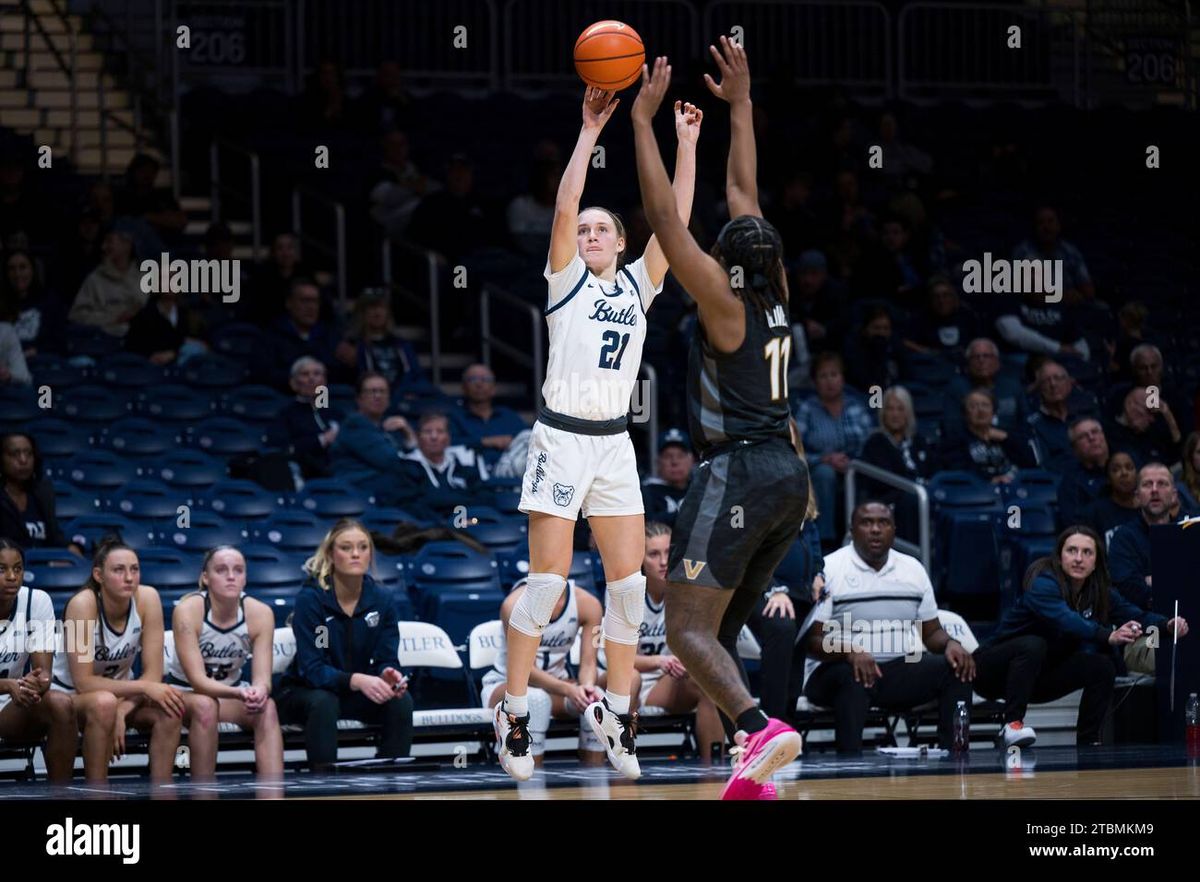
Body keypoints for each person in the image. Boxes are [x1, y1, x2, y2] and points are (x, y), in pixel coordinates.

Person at [495, 80, 700, 783]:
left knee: (626, 591)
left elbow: (672, 221)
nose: (588, 235)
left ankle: (617, 711)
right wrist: (587, 133)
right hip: (560, 437)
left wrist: (688, 144)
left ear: (621, 241)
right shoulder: (565, 282)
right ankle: (514, 714)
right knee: (548, 585)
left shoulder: (640, 286)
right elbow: (562, 204)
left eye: (600, 229)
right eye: (583, 230)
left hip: (614, 443)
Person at [632, 42, 808, 799]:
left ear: (726, 265)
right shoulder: (777, 292)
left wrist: (642, 122)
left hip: (735, 468)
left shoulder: (726, 304)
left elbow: (665, 217)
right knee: (721, 632)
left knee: (684, 629)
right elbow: (745, 190)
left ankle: (760, 728)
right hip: (788, 480)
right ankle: (753, 771)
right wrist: (739, 104)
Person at [974, 526, 1187, 745]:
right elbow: (1067, 621)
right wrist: (1107, 635)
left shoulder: (1098, 592)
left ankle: (1089, 741)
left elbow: (1135, 614)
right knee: (1033, 644)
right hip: (990, 672)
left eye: (1087, 552)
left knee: (1102, 667)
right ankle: (1012, 725)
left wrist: (1166, 624)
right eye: (1072, 551)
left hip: (1036, 677)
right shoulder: (1043, 584)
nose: (1078, 558)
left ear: (1096, 562)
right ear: (1059, 557)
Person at [802, 502, 974, 754]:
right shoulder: (829, 569)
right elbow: (811, 640)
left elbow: (932, 633)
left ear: (894, 529)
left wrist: (950, 643)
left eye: (883, 523)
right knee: (853, 677)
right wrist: (850, 652)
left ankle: (955, 754)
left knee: (955, 669)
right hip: (834, 672)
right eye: (866, 522)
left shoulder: (913, 569)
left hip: (894, 671)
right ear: (852, 529)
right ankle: (849, 764)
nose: (875, 530)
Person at [52, 539, 218, 782]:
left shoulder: (148, 598)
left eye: (135, 569)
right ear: (98, 575)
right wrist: (137, 691)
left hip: (121, 699)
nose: (129, 577)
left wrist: (122, 710)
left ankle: (162, 790)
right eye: (119, 570)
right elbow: (84, 682)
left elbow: (153, 674)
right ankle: (97, 791)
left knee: (171, 708)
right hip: (73, 699)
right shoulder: (82, 604)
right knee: (103, 703)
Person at [276, 520, 414, 770]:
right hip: (303, 691)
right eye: (346, 547)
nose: (355, 554)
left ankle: (392, 778)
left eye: (363, 547)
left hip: (351, 693)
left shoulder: (382, 600)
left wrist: (387, 674)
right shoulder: (313, 600)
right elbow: (313, 669)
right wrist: (358, 680)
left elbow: (387, 658)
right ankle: (325, 783)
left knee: (400, 701)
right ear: (330, 554)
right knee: (324, 701)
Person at [169, 546, 284, 777]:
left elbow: (263, 677)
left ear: (245, 578)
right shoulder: (188, 610)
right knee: (205, 706)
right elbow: (199, 682)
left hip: (230, 695)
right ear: (205, 577)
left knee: (267, 707)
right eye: (221, 570)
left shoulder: (260, 613)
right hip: (184, 694)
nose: (231, 576)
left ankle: (273, 792)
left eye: (238, 570)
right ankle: (203, 791)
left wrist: (259, 690)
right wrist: (240, 694)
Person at [481, 576, 616, 766]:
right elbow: (525, 671)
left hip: (556, 687)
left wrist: (586, 688)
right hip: (506, 685)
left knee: (595, 702)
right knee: (536, 700)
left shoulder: (589, 604)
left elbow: (588, 664)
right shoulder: (513, 605)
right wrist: (569, 690)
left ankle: (595, 784)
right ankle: (532, 785)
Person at [0, 539, 77, 782]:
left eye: (18, 568)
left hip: (10, 706)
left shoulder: (37, 601)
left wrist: (36, 684)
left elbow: (43, 673)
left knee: (61, 704)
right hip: (9, 690)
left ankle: (61, 798)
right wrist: (7, 685)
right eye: (1, 569)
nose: (12, 576)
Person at [1107, 462, 1192, 672]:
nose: (1154, 490)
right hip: (1145, 633)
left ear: (1174, 495)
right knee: (1178, 658)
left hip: (1191, 625)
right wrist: (1176, 583)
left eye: (1162, 483)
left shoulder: (1190, 531)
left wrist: (1153, 580)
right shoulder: (1123, 538)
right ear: (1137, 496)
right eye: (1147, 484)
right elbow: (1129, 591)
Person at [794, 351, 875, 543]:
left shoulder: (856, 406)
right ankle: (826, 541)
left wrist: (852, 463)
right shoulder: (807, 409)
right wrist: (825, 459)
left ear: (842, 378)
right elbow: (795, 449)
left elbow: (871, 445)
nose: (829, 381)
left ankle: (862, 537)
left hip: (855, 466)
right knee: (825, 474)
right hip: (818, 468)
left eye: (834, 375)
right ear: (815, 382)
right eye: (823, 376)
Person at [329, 373, 422, 507]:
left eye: (382, 391)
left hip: (386, 492)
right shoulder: (355, 425)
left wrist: (408, 434)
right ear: (359, 399)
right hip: (358, 494)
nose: (378, 396)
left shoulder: (391, 426)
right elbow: (392, 461)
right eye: (372, 391)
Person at [859, 386, 934, 536]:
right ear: (883, 413)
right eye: (890, 409)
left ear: (908, 413)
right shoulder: (875, 442)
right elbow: (882, 482)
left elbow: (932, 469)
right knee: (911, 502)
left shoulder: (919, 440)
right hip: (891, 501)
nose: (895, 414)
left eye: (900, 409)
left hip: (921, 495)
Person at [334, 288, 429, 393]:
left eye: (381, 307)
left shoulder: (402, 344)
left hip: (403, 397)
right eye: (372, 307)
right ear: (362, 313)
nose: (377, 312)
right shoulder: (352, 345)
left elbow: (416, 374)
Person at [0, 432, 81, 553]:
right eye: (14, 454)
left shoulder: (42, 492)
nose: (23, 460)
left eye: (28, 453)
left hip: (44, 566)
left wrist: (70, 548)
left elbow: (53, 536)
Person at [938, 388, 1038, 483]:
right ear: (965, 414)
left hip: (1013, 487)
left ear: (993, 411)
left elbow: (1030, 462)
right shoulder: (955, 440)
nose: (980, 410)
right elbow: (959, 469)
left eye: (985, 405)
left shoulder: (1006, 433)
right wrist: (989, 479)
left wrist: (1007, 438)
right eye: (973, 406)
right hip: (978, 491)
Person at [69, 222, 144, 337]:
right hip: (107, 340)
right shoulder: (95, 279)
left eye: (109, 241)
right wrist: (113, 317)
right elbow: (77, 315)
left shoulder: (144, 276)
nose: (104, 247)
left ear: (127, 244)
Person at [941, 337, 1027, 434]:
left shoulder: (1013, 386)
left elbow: (1025, 422)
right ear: (968, 364)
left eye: (987, 356)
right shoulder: (956, 388)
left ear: (997, 362)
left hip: (1012, 443)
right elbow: (951, 427)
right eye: (975, 357)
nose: (981, 360)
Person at [448, 364, 528, 468]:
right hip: (469, 477)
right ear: (463, 387)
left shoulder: (509, 416)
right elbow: (446, 444)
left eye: (485, 379)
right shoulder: (454, 417)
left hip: (510, 475)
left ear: (494, 388)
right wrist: (485, 442)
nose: (479, 384)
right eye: (473, 379)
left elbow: (527, 441)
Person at [277, 356, 343, 480]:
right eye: (305, 374)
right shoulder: (286, 414)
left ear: (324, 381)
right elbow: (286, 449)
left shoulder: (336, 413)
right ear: (293, 383)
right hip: (303, 475)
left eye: (317, 374)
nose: (311, 378)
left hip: (339, 472)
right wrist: (322, 440)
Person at [1025, 360, 1098, 470]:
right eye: (1046, 381)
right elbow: (1044, 466)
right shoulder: (1033, 424)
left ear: (1069, 383)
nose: (1053, 384)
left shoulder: (1088, 413)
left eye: (1058, 378)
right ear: (1039, 389)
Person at [1, 248, 66, 357]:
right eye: (12, 269)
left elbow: (59, 343)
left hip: (43, 363)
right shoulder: (1, 303)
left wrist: (32, 352)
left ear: (32, 270)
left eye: (23, 267)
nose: (17, 274)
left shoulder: (49, 301)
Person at [1106, 386, 1182, 468]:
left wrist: (1168, 416)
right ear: (1130, 406)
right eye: (1148, 411)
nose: (1151, 419)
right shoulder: (1111, 434)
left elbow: (1177, 455)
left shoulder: (1152, 432)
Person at [1058, 418, 1111, 526]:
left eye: (1095, 432)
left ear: (1104, 436)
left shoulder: (1125, 465)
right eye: (1082, 436)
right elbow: (1074, 524)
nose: (1091, 438)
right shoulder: (1070, 483)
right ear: (1075, 449)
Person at [1082, 451, 1140, 546]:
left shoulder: (1147, 509)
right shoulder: (1095, 513)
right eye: (1116, 470)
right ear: (1108, 479)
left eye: (1129, 468)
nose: (1124, 473)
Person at [640, 428, 694, 528]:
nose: (675, 462)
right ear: (658, 462)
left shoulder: (699, 490)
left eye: (680, 456)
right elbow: (648, 525)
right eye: (668, 456)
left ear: (691, 460)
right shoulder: (646, 492)